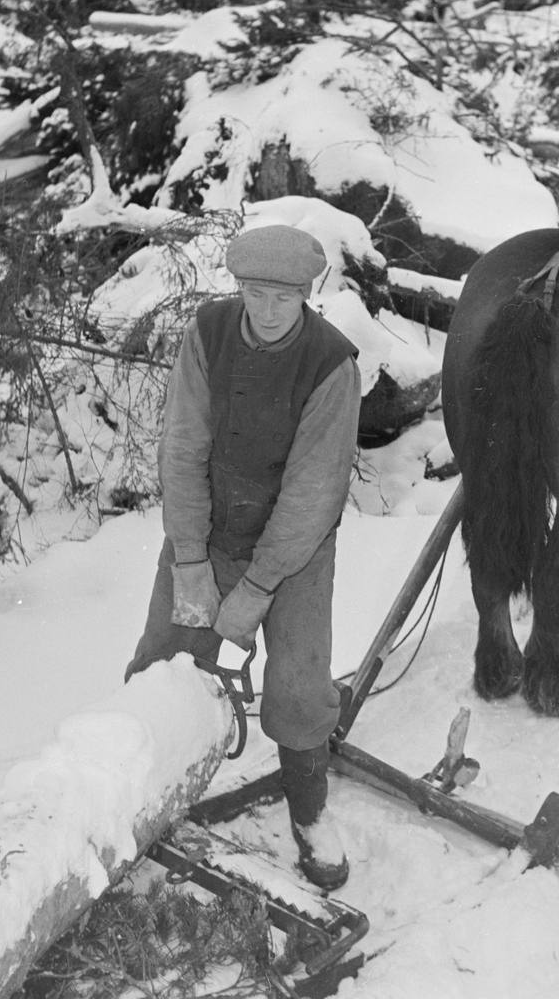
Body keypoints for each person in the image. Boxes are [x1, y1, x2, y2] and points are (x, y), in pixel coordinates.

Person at [125, 224, 361, 891]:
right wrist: (191, 560)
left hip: (295, 549)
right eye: (254, 293)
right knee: (161, 658)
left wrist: (256, 590)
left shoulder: (331, 365)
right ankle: (137, 802)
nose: (264, 310)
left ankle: (310, 816)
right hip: (211, 526)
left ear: (307, 296)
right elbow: (183, 445)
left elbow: (313, 492)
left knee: (298, 684)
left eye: (281, 299)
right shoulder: (209, 333)